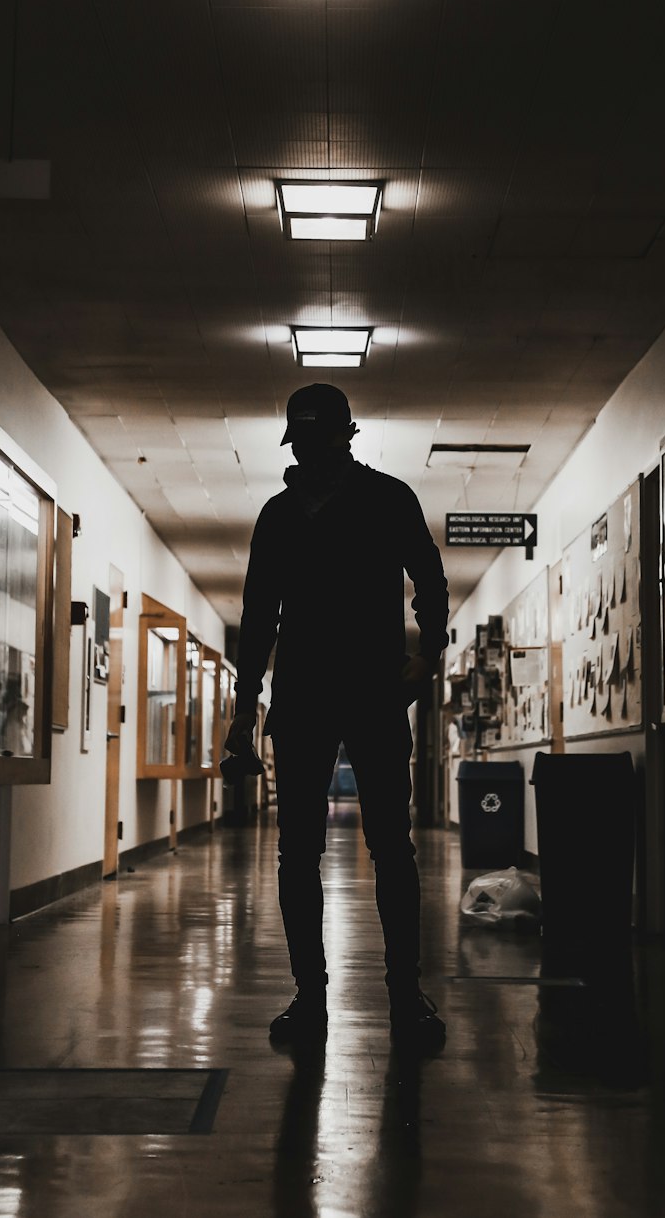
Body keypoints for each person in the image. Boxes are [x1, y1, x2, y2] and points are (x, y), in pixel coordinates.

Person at [225, 382, 450, 1051]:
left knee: (391, 848)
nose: (314, 454)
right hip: (301, 695)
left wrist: (430, 653)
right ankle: (310, 999)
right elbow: (259, 612)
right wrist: (244, 705)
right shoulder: (278, 514)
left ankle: (405, 998)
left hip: (376, 691)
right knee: (298, 852)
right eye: (304, 442)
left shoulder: (388, 498)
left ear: (347, 437)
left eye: (325, 440)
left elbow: (429, 575)